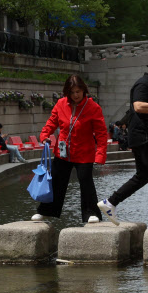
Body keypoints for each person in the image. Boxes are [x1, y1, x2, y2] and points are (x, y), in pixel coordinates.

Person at [98, 55, 148, 228]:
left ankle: (110, 202)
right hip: (144, 137)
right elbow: (138, 106)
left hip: (142, 136)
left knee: (143, 176)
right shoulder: (143, 83)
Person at [32, 75, 108, 224]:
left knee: (86, 182)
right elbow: (51, 123)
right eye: (72, 92)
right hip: (63, 152)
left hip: (84, 153)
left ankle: (91, 213)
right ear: (67, 92)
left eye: (78, 91)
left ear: (84, 90)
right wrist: (44, 135)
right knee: (56, 181)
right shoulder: (60, 104)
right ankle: (46, 211)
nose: (76, 95)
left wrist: (100, 155)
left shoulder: (93, 107)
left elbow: (101, 133)